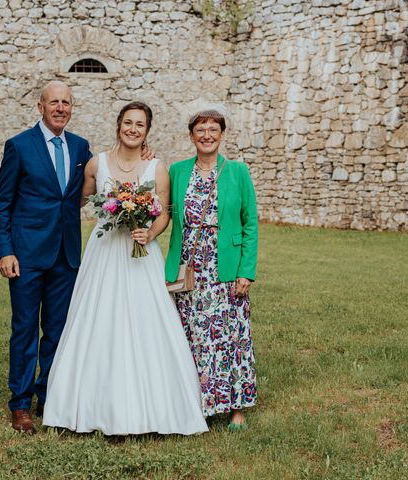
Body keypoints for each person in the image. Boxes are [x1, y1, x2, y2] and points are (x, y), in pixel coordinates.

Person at [43, 102, 208, 435]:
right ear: (118, 125)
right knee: (96, 319)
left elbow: (164, 212)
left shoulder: (156, 167)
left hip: (140, 254)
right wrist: (111, 213)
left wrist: (149, 232)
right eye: (128, 123)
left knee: (146, 323)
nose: (133, 129)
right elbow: (81, 201)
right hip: (104, 252)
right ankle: (84, 404)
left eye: (141, 125)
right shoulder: (96, 164)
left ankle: (151, 409)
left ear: (148, 131)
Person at [0, 81, 92, 434]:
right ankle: (19, 403)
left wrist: (140, 155)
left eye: (66, 102)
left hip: (66, 255)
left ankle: (49, 395)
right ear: (40, 106)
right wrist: (5, 251)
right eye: (54, 102)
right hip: (27, 255)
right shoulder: (19, 146)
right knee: (25, 329)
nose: (60, 108)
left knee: (58, 331)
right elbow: (2, 204)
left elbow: (104, 175)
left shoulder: (80, 147)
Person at [165, 110, 258, 430]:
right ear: (191, 136)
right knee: (191, 336)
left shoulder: (237, 172)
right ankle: (194, 403)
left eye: (213, 129)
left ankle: (236, 407)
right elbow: (161, 204)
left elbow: (250, 223)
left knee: (231, 337)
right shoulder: (176, 171)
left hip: (226, 269)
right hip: (189, 268)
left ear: (222, 134)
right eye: (200, 130)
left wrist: (246, 270)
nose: (207, 135)